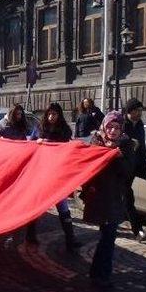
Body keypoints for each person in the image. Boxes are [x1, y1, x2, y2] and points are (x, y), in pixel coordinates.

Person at [82, 111, 136, 289]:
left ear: (122, 129)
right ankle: (99, 274)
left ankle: (101, 275)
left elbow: (128, 172)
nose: (113, 131)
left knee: (108, 236)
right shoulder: (96, 142)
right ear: (104, 126)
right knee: (106, 237)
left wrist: (119, 158)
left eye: (117, 127)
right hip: (98, 196)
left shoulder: (126, 145)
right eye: (110, 127)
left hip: (114, 197)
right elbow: (87, 168)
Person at [31, 103, 82, 251]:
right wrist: (37, 143)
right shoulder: (39, 129)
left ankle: (70, 240)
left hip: (57, 174)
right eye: (49, 114)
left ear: (59, 115)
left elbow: (68, 150)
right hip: (41, 173)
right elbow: (28, 145)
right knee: (36, 204)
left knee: (62, 205)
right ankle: (30, 234)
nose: (51, 117)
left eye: (55, 114)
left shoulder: (65, 131)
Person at [123, 98, 146, 241]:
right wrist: (128, 143)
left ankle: (109, 223)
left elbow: (142, 147)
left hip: (132, 167)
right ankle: (138, 231)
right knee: (128, 197)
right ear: (130, 111)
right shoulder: (121, 124)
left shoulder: (139, 125)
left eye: (141, 110)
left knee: (123, 197)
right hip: (120, 167)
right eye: (137, 111)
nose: (140, 113)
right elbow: (114, 141)